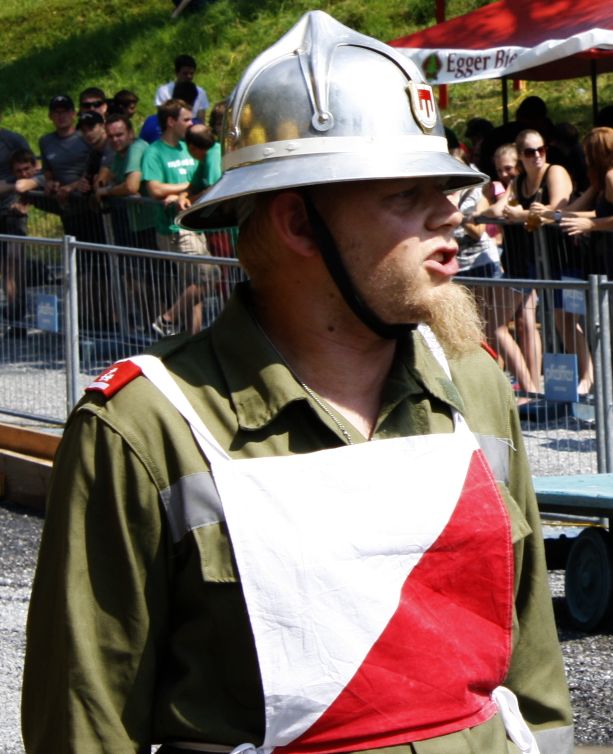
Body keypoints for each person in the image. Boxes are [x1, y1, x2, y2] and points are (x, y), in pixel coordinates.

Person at [22, 11, 573, 754]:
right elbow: (85, 721)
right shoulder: (146, 427)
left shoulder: (474, 382)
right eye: (406, 194)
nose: (452, 217)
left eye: (447, 187)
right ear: (299, 224)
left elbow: (532, 678)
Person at [503, 130, 593, 395]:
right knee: (560, 319)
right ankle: (583, 377)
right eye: (530, 152)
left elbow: (557, 211)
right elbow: (504, 209)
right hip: (542, 259)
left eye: (541, 149)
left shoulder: (555, 172)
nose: (537, 156)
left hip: (567, 255)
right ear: (520, 156)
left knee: (570, 316)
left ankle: (589, 376)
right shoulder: (519, 181)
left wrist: (521, 215)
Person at [142, 98, 215, 335]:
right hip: (175, 229)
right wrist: (186, 190)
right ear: (171, 122)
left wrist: (183, 193)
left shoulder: (189, 146)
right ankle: (167, 320)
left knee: (193, 285)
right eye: (186, 119)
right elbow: (154, 189)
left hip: (195, 225)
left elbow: (198, 181)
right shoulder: (154, 152)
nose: (191, 124)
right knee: (207, 279)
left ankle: (192, 339)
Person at [155, 53, 209, 120]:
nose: (189, 76)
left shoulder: (201, 93)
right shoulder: (163, 91)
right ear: (176, 73)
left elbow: (200, 120)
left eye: (191, 73)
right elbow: (162, 118)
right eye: (185, 73)